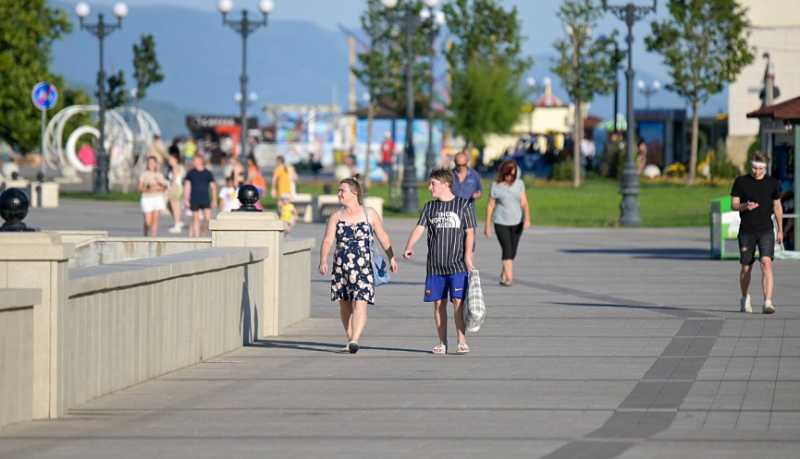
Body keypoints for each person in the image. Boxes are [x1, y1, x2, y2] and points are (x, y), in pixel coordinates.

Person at [319, 178, 398, 354]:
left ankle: (355, 339)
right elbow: (327, 240)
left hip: (363, 266)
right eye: (339, 191)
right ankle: (350, 338)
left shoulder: (369, 213)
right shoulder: (336, 216)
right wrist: (323, 260)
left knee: (360, 302)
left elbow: (382, 236)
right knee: (345, 303)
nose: (339, 194)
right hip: (342, 267)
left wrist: (391, 257)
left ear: (355, 193)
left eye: (342, 190)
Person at [403, 169, 476, 355]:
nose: (429, 187)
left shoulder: (464, 205)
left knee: (458, 302)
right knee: (438, 304)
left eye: (433, 184)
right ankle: (442, 343)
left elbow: (470, 232)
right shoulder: (429, 207)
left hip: (457, 264)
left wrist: (468, 257)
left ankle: (462, 341)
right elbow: (420, 228)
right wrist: (409, 245)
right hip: (435, 265)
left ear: (445, 184)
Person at [731, 152, 783, 314]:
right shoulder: (741, 182)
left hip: (766, 230)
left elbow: (777, 206)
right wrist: (745, 206)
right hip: (747, 231)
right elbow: (734, 204)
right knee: (746, 267)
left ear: (765, 168)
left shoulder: (773, 183)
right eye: (754, 167)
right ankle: (745, 297)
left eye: (760, 168)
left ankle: (768, 302)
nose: (757, 171)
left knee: (766, 263)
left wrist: (780, 229)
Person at [484, 160, 531, 287]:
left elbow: (524, 203)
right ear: (503, 173)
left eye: (513, 175)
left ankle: (504, 273)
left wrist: (527, 218)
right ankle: (509, 278)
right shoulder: (496, 186)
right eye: (508, 174)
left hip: (517, 222)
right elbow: (490, 205)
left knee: (513, 251)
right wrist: (487, 225)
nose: (510, 177)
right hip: (501, 222)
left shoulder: (519, 184)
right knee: (507, 249)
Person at [183, 155, 218, 237]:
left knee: (207, 219)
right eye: (193, 160)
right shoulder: (191, 173)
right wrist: (186, 199)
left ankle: (203, 231)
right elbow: (187, 186)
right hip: (194, 198)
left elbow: (213, 187)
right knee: (195, 218)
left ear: (201, 161)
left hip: (205, 198)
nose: (194, 162)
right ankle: (197, 237)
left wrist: (214, 200)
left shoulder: (208, 173)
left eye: (196, 160)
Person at [138, 156, 168, 237]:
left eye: (153, 162)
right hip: (146, 198)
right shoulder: (144, 174)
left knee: (155, 220)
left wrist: (159, 186)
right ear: (147, 164)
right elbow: (140, 188)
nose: (151, 164)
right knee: (148, 222)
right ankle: (145, 235)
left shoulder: (159, 175)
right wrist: (149, 189)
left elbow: (164, 187)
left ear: (155, 164)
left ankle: (153, 239)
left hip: (157, 198)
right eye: (149, 162)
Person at [165, 153, 186, 234]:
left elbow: (173, 180)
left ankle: (177, 225)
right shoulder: (177, 167)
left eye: (171, 159)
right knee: (172, 206)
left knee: (175, 206)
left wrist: (169, 189)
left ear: (176, 160)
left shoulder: (175, 167)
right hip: (178, 187)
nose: (169, 161)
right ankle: (178, 222)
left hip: (175, 187)